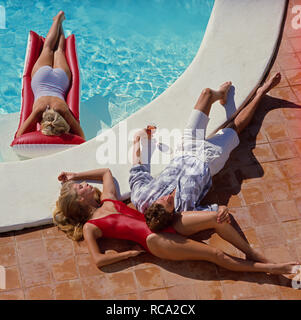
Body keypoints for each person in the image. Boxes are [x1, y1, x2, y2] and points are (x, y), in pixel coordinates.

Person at [53, 167, 301, 276]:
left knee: (217, 218)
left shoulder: (108, 200)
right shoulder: (90, 227)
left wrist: (76, 173)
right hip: (155, 240)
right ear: (79, 201)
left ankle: (252, 253)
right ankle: (275, 269)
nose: (84, 185)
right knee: (216, 255)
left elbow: (105, 172)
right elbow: (98, 260)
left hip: (161, 221)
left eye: (80, 184)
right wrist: (131, 253)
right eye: (79, 187)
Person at [129, 73, 282, 231]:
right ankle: (262, 93)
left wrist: (137, 140)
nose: (168, 197)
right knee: (234, 128)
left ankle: (220, 94)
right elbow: (214, 212)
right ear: (172, 214)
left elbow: (136, 171)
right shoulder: (185, 212)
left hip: (186, 148)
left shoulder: (142, 198)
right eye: (169, 203)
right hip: (209, 160)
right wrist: (222, 210)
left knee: (207, 94)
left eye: (161, 199)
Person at [15, 11, 85, 139]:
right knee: (48, 48)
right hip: (41, 79)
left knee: (58, 50)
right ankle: (57, 21)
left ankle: (58, 21)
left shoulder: (62, 110)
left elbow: (81, 135)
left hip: (60, 79)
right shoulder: (38, 111)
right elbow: (19, 135)